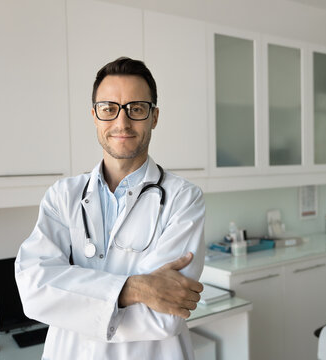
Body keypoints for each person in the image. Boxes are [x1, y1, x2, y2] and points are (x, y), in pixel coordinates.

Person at [15, 57, 205, 359]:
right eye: (109, 109)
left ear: (154, 117)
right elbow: (34, 291)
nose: (122, 122)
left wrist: (71, 302)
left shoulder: (183, 198)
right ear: (94, 116)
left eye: (137, 109)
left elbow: (164, 317)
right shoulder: (63, 196)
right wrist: (136, 289)